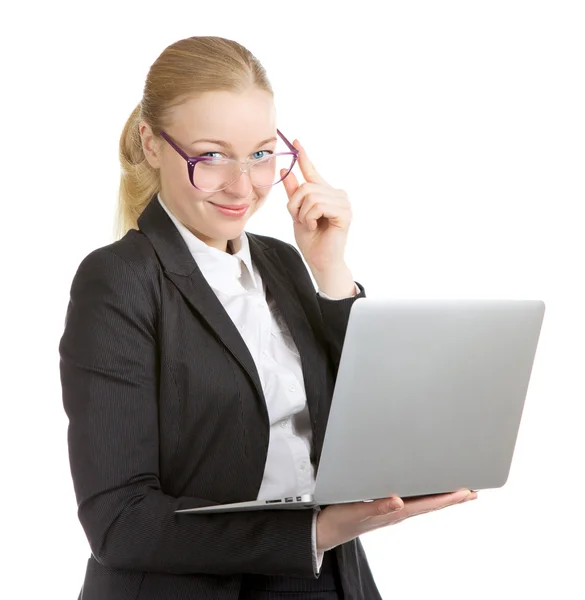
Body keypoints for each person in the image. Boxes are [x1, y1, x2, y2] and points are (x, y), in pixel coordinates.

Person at [59, 35, 477, 600]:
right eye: (210, 156)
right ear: (151, 144)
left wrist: (330, 268)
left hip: (330, 578)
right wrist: (313, 530)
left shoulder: (282, 263)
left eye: (260, 154)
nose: (243, 186)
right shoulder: (120, 281)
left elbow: (369, 418)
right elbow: (119, 519)